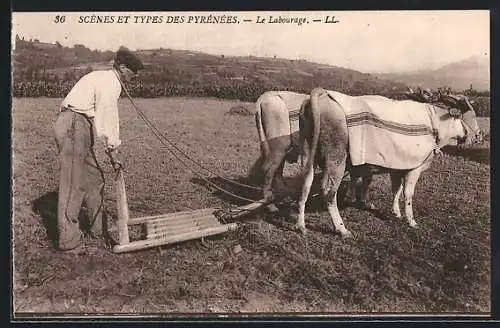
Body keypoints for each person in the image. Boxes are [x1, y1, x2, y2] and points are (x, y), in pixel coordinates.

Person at [53, 46, 143, 254]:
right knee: (73, 183)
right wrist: (113, 150)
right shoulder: (110, 83)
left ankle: (97, 228)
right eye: (133, 72)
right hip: (73, 125)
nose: (135, 77)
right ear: (122, 67)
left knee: (94, 179)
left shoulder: (107, 79)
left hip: (81, 126)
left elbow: (101, 118)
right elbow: (107, 118)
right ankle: (69, 241)